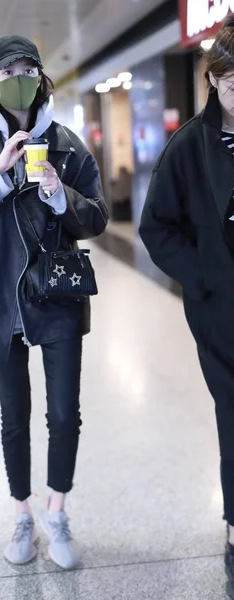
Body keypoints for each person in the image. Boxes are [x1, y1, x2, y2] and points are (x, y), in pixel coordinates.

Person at [0, 35, 108, 569]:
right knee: (14, 417)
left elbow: (96, 215)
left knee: (64, 415)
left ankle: (56, 510)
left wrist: (58, 194)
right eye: (6, 71)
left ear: (39, 74)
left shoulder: (67, 143)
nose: (18, 78)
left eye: (27, 67)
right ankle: (21, 514)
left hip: (56, 294)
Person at [139, 16, 234, 580]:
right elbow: (157, 229)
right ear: (215, 81)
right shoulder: (189, 148)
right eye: (231, 82)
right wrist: (201, 278)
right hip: (221, 310)